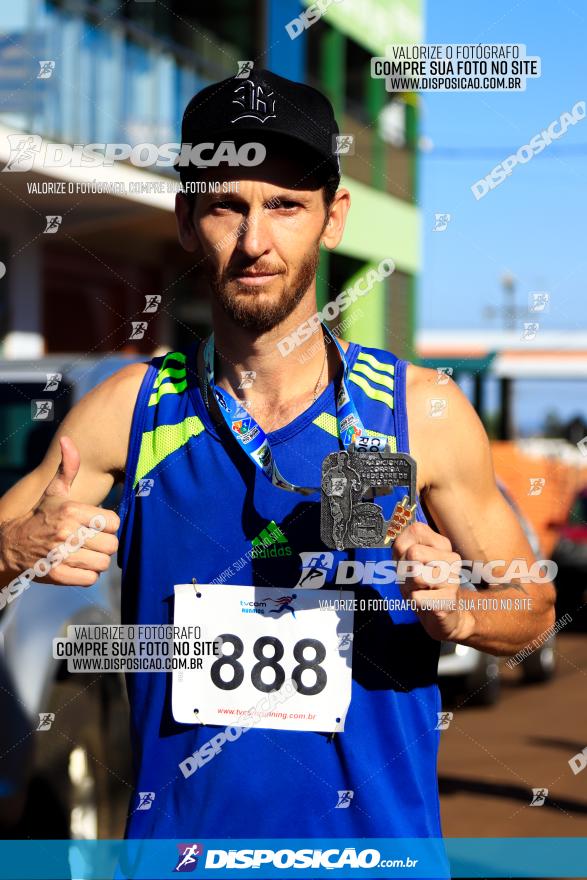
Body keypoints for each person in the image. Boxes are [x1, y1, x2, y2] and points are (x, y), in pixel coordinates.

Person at [0, 69, 554, 858]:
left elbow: (531, 609)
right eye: (228, 205)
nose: (255, 241)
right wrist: (16, 550)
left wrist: (463, 611)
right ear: (188, 221)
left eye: (286, 205)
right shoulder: (130, 408)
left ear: (334, 218)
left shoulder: (420, 411)